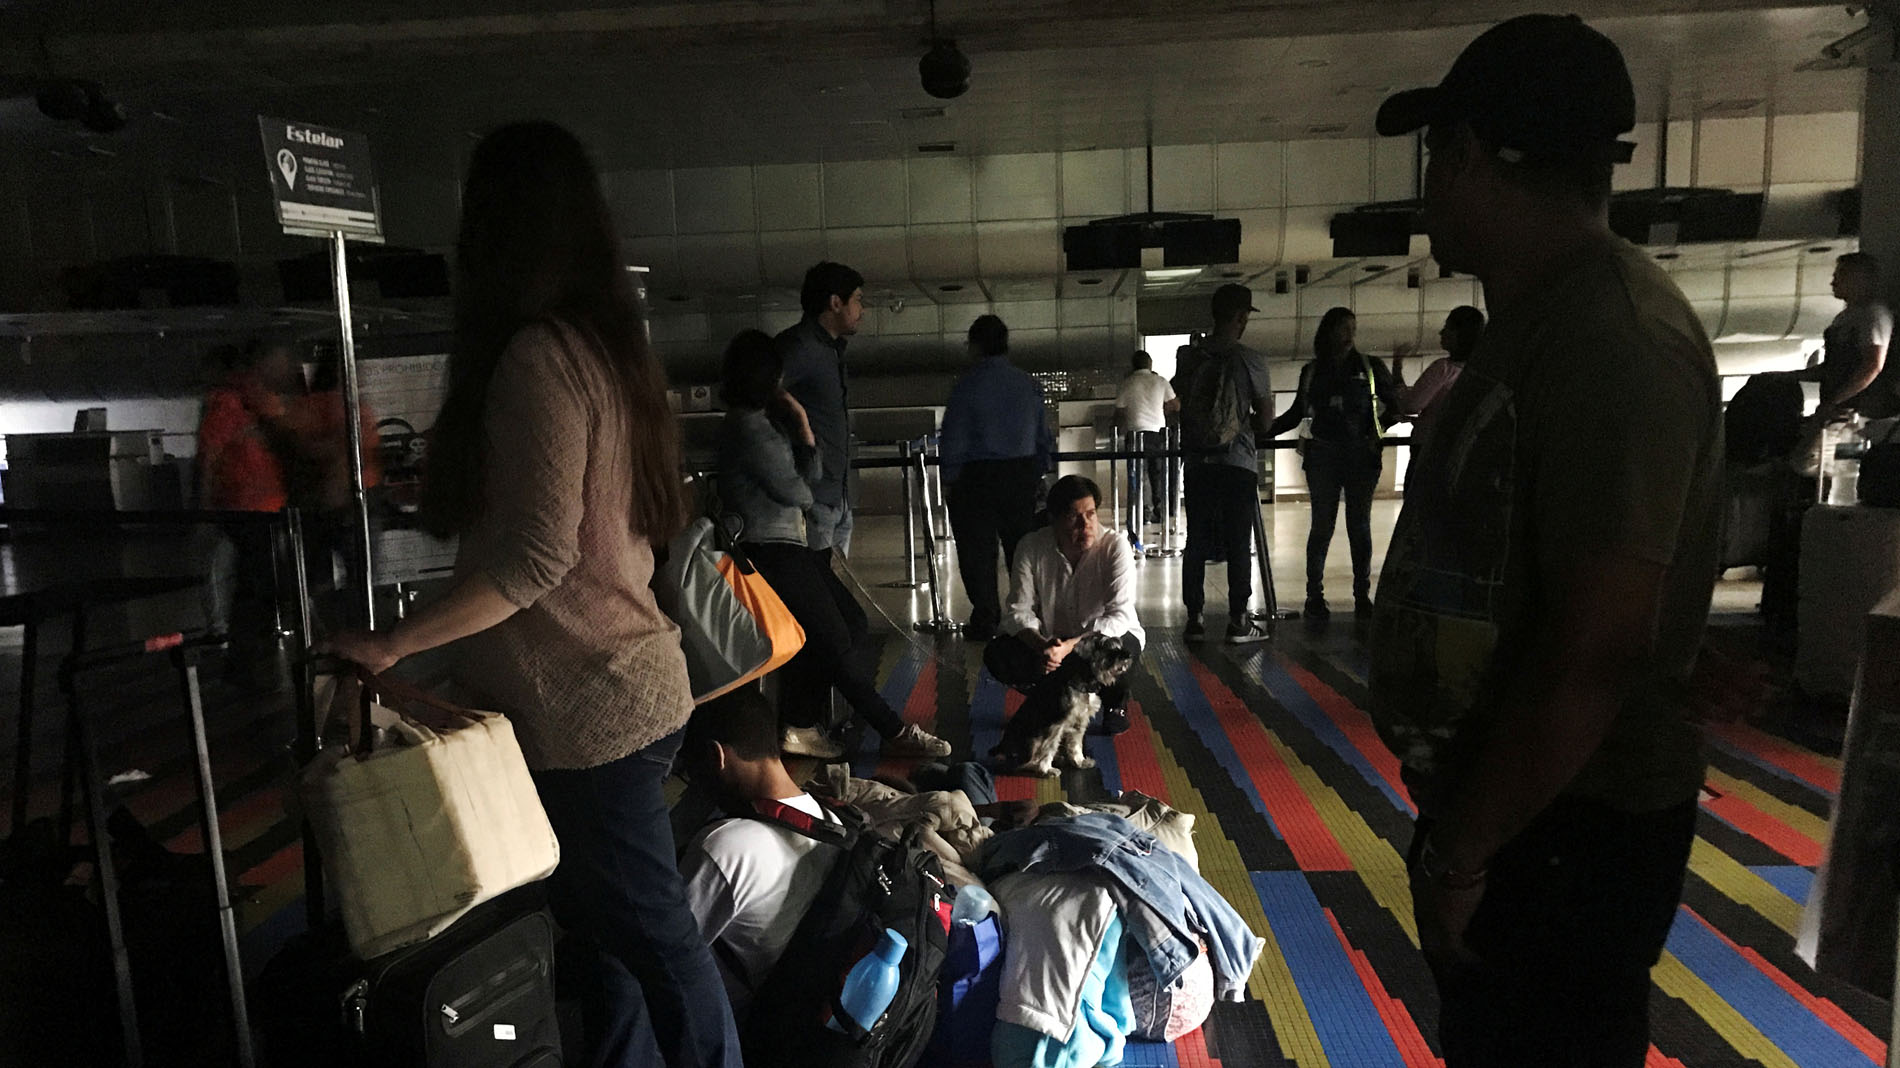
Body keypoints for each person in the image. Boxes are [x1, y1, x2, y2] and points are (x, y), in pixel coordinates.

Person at [325, 121, 741, 1068]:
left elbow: (535, 561)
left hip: (590, 712)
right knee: (612, 943)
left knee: (654, 944)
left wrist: (390, 645)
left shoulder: (537, 358)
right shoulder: (605, 349)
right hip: (620, 691)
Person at [1368, 16, 1723, 1067]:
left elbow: (1596, 649)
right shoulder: (1543, 322)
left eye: (1438, 153)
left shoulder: (1615, 340)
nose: (1431, 182)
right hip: (1522, 808)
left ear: (1471, 156)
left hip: (1567, 824)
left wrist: (1464, 852)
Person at [718, 330, 951, 759]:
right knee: (833, 638)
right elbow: (798, 491)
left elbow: (808, 478)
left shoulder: (763, 424)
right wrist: (802, 439)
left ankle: (800, 722)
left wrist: (803, 428)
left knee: (851, 624)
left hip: (790, 547)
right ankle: (893, 729)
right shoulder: (748, 428)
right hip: (768, 551)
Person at [678, 687, 842, 1023]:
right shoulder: (831, 824)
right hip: (799, 1008)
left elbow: (666, 954)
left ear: (716, 756)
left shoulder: (724, 848)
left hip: (737, 1020)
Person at [1268, 307, 1403, 620]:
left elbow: (1395, 408)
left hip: (1360, 457)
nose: (1349, 335)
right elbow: (1296, 413)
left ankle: (1361, 596)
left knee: (1359, 525)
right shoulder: (1313, 371)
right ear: (1328, 332)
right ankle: (1314, 595)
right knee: (1322, 526)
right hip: (1324, 456)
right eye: (1343, 328)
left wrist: (1375, 432)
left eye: (1353, 328)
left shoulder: (1370, 367)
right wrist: (1263, 430)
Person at [984, 476, 1143, 735]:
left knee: (1122, 650)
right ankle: (1049, 698)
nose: (1085, 525)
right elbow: (1017, 610)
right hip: (1053, 641)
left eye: (1090, 514)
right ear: (1054, 519)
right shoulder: (1031, 546)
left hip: (1095, 640)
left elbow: (1119, 615)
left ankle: (1115, 702)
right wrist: (1042, 645)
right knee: (999, 653)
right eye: (1073, 517)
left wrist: (1071, 646)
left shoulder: (1115, 546)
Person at [196, 338, 303, 687]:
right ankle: (244, 662)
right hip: (250, 507)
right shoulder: (231, 402)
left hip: (260, 505)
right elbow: (211, 454)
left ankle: (248, 660)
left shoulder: (248, 400)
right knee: (256, 585)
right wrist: (206, 505)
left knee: (257, 583)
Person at [940, 314, 1053, 642]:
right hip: (1020, 474)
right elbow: (1043, 435)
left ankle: (986, 617)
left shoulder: (966, 385)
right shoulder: (1027, 384)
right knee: (1022, 548)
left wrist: (950, 479)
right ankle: (1025, 616)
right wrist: (1039, 470)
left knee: (977, 552)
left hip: (976, 478)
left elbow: (954, 438)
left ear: (975, 346)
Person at [1178, 285, 1274, 645]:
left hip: (1197, 461)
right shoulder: (1250, 359)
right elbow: (1266, 419)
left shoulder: (1189, 358)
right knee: (1238, 542)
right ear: (1241, 317)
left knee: (1196, 540)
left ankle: (1195, 619)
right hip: (1238, 462)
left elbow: (1181, 405)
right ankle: (1238, 621)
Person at [777, 261, 865, 558]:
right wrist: (799, 419)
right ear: (835, 303)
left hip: (836, 495)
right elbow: (757, 391)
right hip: (814, 497)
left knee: (834, 582)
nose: (862, 310)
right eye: (858, 300)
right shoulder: (800, 346)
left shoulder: (830, 349)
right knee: (817, 580)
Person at [1804, 252, 1894, 420]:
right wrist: (1784, 376)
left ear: (1859, 279)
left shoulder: (1873, 315)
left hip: (1859, 411)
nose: (1833, 283)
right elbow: (1833, 367)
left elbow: (1872, 366)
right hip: (1840, 407)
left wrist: (1835, 401)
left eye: (1840, 276)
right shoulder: (1843, 318)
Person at [1392, 305, 1485, 453]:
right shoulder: (1478, 372)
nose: (1441, 332)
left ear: (1460, 335)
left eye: (1448, 328)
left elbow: (1411, 405)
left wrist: (1397, 366)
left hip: (1429, 445)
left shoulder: (1443, 369)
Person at [1115, 349, 1179, 529]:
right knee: (1157, 474)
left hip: (1134, 434)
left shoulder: (1127, 383)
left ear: (1133, 365)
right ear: (1150, 364)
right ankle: (1159, 510)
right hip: (1157, 434)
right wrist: (1162, 409)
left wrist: (1117, 428)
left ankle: (1142, 513)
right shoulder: (1160, 381)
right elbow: (1176, 405)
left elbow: (1119, 411)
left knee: (1137, 475)